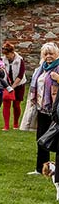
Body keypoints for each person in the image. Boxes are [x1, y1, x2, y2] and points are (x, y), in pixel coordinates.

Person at [28, 42, 59, 186]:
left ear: (56, 54)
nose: (48, 57)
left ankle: (54, 168)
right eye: (46, 54)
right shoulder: (41, 69)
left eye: (51, 53)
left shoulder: (57, 68)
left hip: (55, 109)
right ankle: (41, 168)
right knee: (41, 138)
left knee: (53, 139)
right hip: (42, 108)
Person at [1, 42, 26, 130]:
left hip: (19, 85)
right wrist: (7, 86)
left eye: (8, 54)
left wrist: (13, 86)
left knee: (16, 105)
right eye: (5, 54)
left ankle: (16, 124)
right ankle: (6, 125)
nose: (6, 56)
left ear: (12, 52)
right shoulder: (2, 60)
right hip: (6, 84)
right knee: (6, 104)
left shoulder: (20, 60)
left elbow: (20, 75)